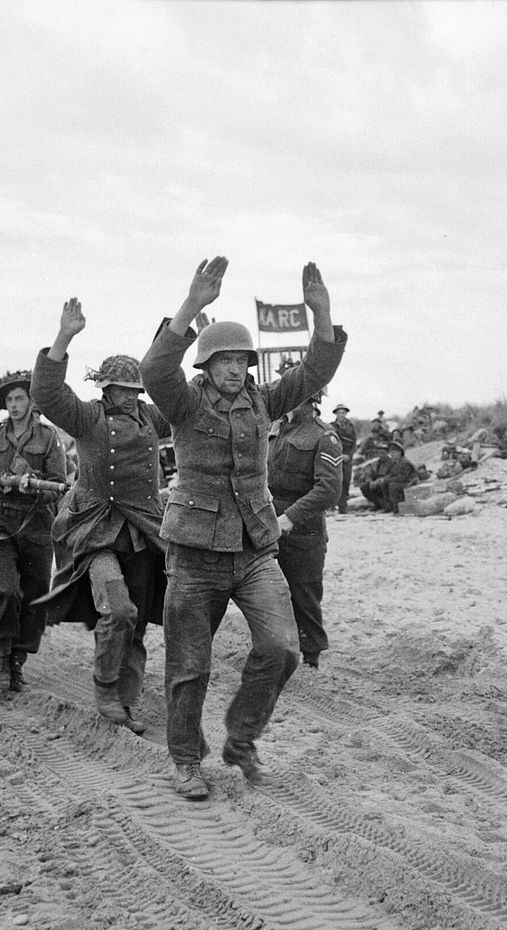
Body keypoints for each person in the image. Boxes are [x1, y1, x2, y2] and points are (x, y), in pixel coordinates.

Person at [140, 256, 346, 800]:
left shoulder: (263, 400)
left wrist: (321, 315)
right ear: (206, 365)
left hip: (254, 548)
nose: (235, 369)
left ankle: (241, 740)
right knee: (190, 666)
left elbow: (316, 372)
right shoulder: (183, 402)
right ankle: (185, 761)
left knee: (282, 648)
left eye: (242, 360)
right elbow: (155, 370)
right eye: (225, 360)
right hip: (193, 552)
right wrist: (191, 305)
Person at [30, 299, 171, 733]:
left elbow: (178, 399)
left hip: (145, 532)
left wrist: (179, 339)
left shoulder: (150, 417)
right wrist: (65, 336)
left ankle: (123, 702)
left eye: (136, 391)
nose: (131, 397)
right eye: (122, 390)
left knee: (140, 622)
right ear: (106, 389)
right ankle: (106, 692)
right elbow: (48, 393)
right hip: (96, 533)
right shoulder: (87, 417)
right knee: (120, 612)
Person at [0, 370, 68, 691]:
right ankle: (2, 653)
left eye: (20, 398)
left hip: (37, 524)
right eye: (9, 400)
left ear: (32, 401)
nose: (15, 405)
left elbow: (59, 485)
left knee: (36, 597)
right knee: (7, 590)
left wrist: (32, 483)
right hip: (1, 522)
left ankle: (18, 661)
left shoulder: (48, 438)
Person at [268, 395, 342, 669]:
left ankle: (311, 656)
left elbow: (329, 490)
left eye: (294, 396)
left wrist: (290, 518)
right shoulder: (275, 430)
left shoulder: (324, 436)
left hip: (303, 530)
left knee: (305, 593)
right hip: (268, 523)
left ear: (310, 401)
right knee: (268, 592)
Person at [374, 440, 417, 513]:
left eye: (393, 452)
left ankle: (396, 508)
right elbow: (391, 474)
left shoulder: (405, 462)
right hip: (402, 481)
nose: (391, 454)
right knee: (384, 484)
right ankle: (389, 506)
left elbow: (402, 478)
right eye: (390, 452)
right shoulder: (395, 462)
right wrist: (384, 479)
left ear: (399, 453)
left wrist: (387, 480)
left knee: (393, 485)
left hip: (410, 482)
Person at [329, 401, 356, 513]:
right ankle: (331, 505)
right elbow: (330, 443)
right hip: (335, 457)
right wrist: (339, 455)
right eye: (339, 413)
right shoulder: (332, 426)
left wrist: (349, 455)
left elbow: (354, 443)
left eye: (343, 413)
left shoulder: (351, 427)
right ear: (336, 414)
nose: (341, 415)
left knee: (346, 481)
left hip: (347, 459)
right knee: (334, 481)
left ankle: (343, 506)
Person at [358, 441, 392, 508]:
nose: (381, 455)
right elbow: (369, 474)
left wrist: (379, 481)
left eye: (383, 453)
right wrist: (370, 481)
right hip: (374, 482)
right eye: (379, 453)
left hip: (385, 482)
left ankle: (386, 505)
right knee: (363, 486)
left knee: (381, 486)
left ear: (387, 453)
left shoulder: (391, 463)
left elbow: (392, 474)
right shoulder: (375, 463)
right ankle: (377, 504)